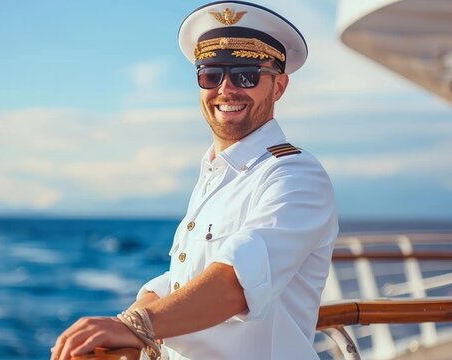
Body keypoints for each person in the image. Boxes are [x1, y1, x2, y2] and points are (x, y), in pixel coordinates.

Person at [52, 2, 338, 359]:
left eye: (246, 75)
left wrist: (134, 326)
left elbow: (237, 281)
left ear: (278, 86)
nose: (226, 89)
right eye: (211, 74)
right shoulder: (215, 175)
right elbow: (186, 278)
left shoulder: (295, 175)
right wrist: (139, 313)